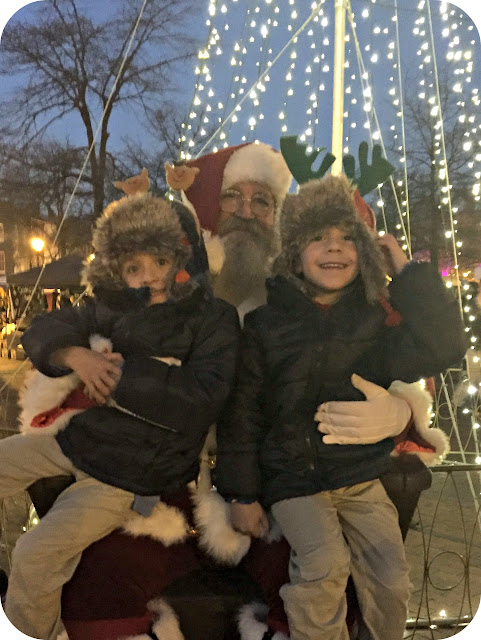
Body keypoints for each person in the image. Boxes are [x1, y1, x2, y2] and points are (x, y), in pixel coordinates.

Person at [215, 173, 466, 640]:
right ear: (295, 253)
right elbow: (242, 410)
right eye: (318, 236)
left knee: (391, 577)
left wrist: (406, 272)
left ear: (363, 254)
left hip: (359, 474)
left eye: (347, 237)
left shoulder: (373, 322)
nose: (334, 246)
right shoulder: (267, 324)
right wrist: (241, 493)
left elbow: (442, 346)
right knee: (323, 567)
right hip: (293, 477)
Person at [0, 191, 239, 640]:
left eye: (159, 261)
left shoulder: (212, 318)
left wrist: (118, 376)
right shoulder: (111, 307)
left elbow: (203, 396)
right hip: (79, 439)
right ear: (118, 271)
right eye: (133, 267)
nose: (149, 277)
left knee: (36, 553)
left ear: (180, 259)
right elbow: (49, 326)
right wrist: (75, 355)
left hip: (132, 472)